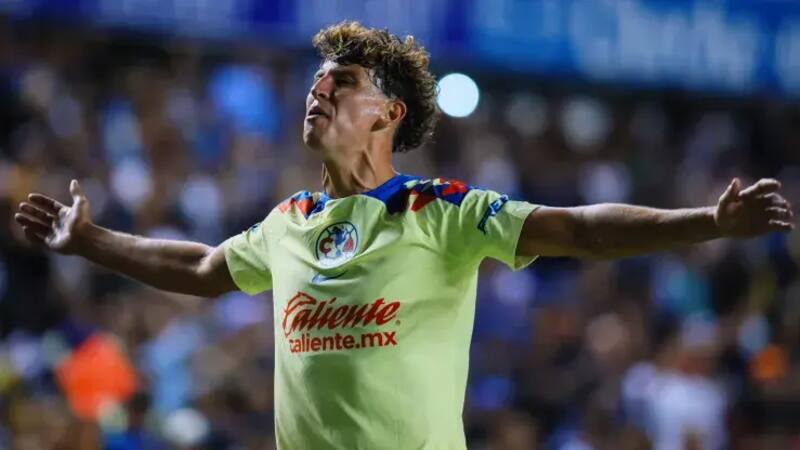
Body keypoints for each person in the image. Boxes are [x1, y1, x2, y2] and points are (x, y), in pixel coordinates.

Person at [12, 21, 795, 450]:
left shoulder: (439, 208)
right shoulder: (288, 222)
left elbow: (577, 231)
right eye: (318, 79)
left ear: (387, 114)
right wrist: (92, 240)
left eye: (342, 83)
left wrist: (707, 222)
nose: (319, 89)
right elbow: (207, 266)